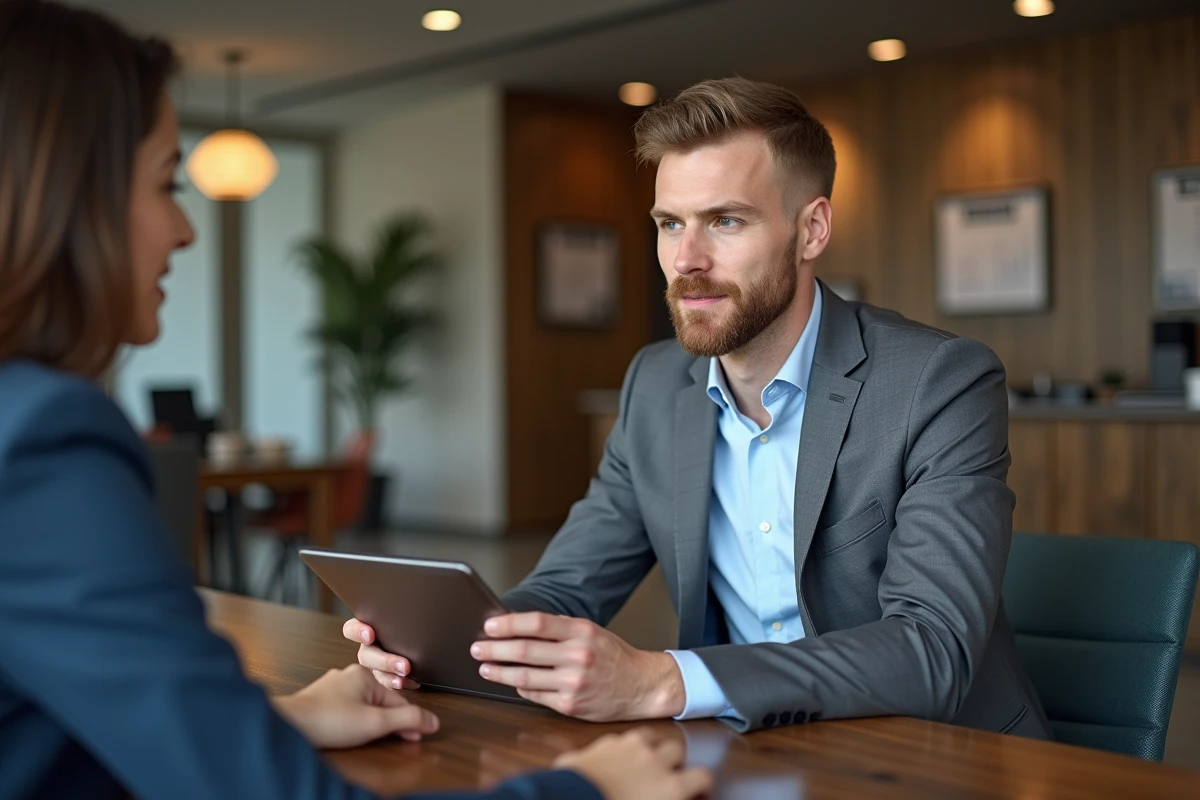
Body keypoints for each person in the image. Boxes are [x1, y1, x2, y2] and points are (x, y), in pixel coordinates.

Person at [0, 2, 713, 799]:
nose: (184, 231)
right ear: (70, 196)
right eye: (168, 184)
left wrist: (273, 725)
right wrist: (589, 790)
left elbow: (58, 719)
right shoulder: (40, 440)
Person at [349, 76, 1052, 740]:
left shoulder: (938, 382)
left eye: (724, 221)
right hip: (747, 750)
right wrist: (445, 648)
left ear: (811, 231)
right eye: (668, 223)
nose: (686, 259)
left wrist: (665, 682)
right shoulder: (655, 386)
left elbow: (932, 649)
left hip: (936, 758)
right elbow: (568, 586)